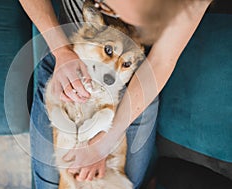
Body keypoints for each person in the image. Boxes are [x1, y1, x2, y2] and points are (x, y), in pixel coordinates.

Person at [19, 0, 212, 188]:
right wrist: (61, 52)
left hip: (135, 81)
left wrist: (104, 143)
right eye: (101, 5)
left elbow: (161, 60)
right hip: (71, 56)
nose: (108, 14)